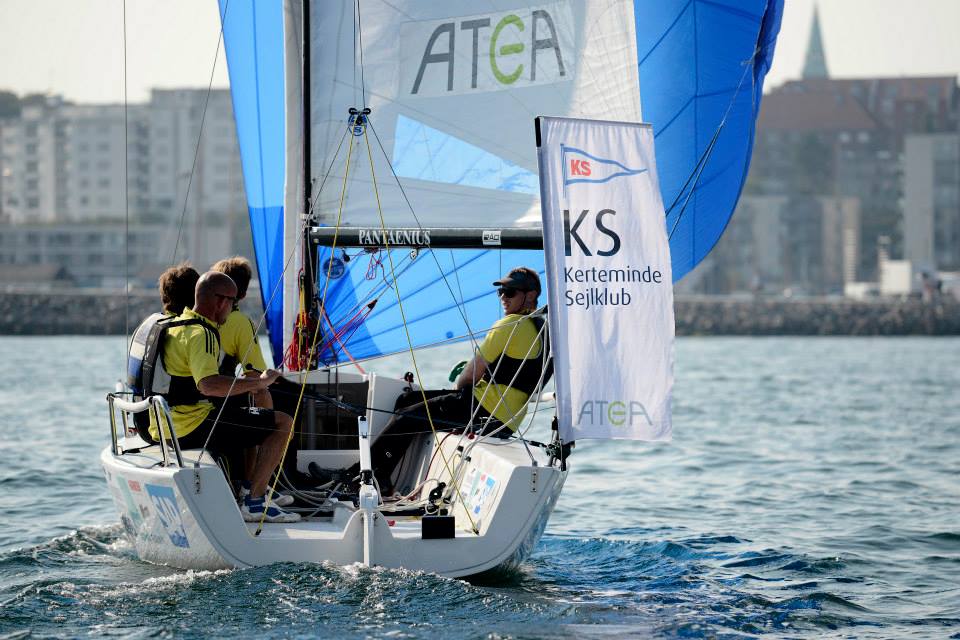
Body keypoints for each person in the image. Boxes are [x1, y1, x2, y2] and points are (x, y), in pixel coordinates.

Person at [363, 267, 548, 493]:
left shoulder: (508, 325)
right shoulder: (542, 329)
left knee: (407, 415)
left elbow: (469, 376)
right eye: (500, 292)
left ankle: (364, 477)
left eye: (510, 292)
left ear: (530, 295)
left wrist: (457, 389)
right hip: (506, 418)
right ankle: (384, 476)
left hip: (485, 410)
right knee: (407, 400)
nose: (503, 297)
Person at [156, 271, 300, 523]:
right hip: (193, 425)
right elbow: (208, 385)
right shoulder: (204, 334)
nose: (232, 309)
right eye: (233, 303)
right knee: (282, 422)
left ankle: (248, 487)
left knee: (252, 415)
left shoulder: (179, 325)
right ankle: (254, 502)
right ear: (221, 302)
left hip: (166, 425)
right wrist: (260, 382)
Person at [210, 256, 294, 508]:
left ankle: (249, 483)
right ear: (242, 294)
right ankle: (254, 489)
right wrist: (264, 424)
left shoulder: (197, 319)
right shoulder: (240, 323)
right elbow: (256, 377)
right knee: (265, 417)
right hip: (218, 411)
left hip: (200, 405)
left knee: (251, 409)